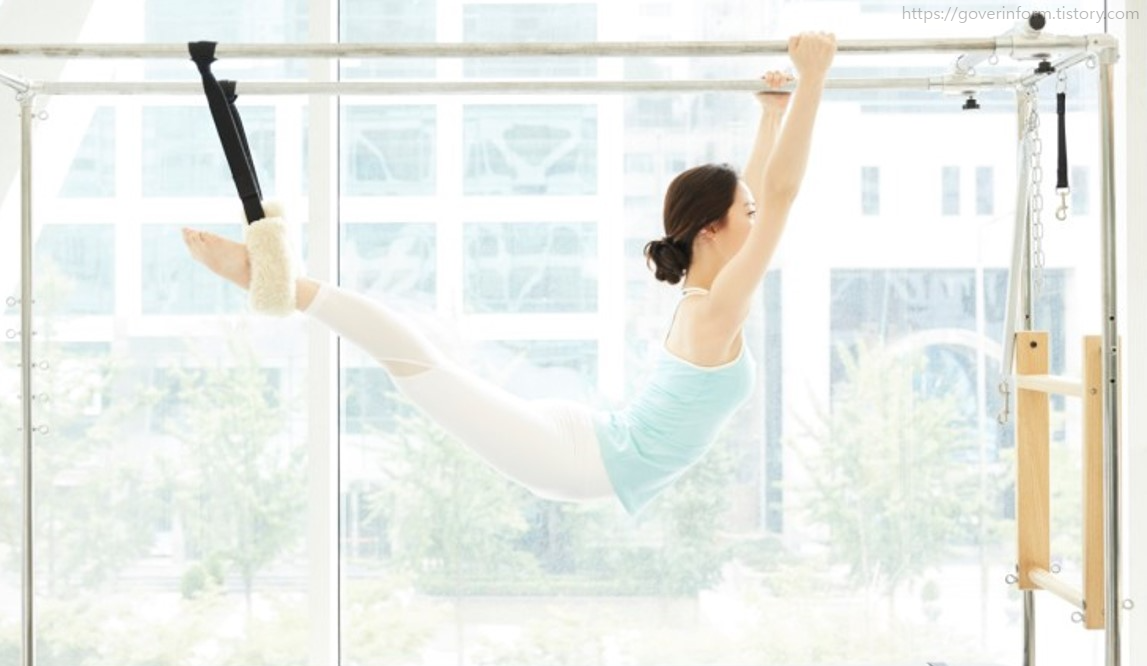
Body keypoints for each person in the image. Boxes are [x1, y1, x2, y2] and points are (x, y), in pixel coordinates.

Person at [182, 31, 837, 515]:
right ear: (711, 230)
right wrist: (811, 81)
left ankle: (278, 280)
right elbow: (776, 195)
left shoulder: (711, 297)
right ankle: (276, 282)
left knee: (420, 363)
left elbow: (760, 193)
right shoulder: (716, 308)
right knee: (416, 362)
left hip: (580, 446)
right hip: (575, 457)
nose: (757, 216)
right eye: (744, 213)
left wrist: (772, 112)